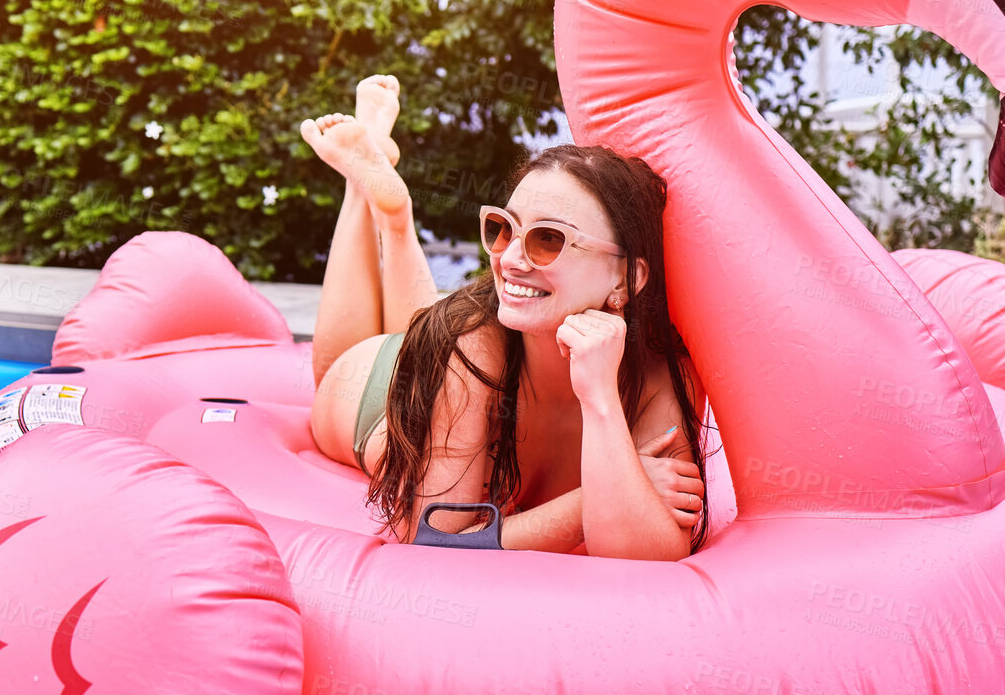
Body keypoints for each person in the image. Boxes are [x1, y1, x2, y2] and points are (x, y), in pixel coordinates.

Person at [303, 75, 710, 560]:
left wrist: (600, 395)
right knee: (370, 358)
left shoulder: (661, 372)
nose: (512, 258)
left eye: (547, 239)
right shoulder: (471, 347)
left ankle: (389, 208)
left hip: (443, 354)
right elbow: (433, 543)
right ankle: (362, 186)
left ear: (626, 279)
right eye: (503, 229)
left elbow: (654, 553)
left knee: (435, 325)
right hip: (377, 394)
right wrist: (600, 497)